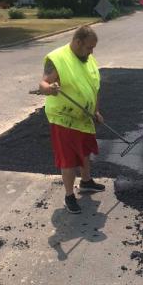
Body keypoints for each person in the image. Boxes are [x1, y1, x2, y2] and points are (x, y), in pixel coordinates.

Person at [39, 26, 105, 214]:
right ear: (78, 42)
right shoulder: (58, 58)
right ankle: (69, 196)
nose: (92, 52)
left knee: (84, 151)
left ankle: (86, 182)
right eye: (89, 47)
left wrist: (95, 110)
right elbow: (43, 83)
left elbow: (94, 86)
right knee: (68, 159)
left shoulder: (88, 58)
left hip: (84, 117)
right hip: (64, 118)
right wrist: (49, 88)